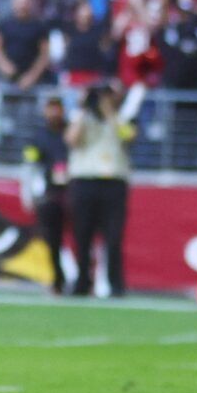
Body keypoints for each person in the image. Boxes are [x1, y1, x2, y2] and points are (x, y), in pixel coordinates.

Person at [65, 83, 144, 298]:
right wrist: (83, 109)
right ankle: (82, 281)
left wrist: (110, 112)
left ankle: (115, 284)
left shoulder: (122, 117)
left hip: (114, 182)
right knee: (82, 234)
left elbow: (128, 136)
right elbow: (71, 140)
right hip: (85, 180)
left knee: (113, 236)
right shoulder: (81, 118)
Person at [23, 96, 71, 295]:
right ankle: (58, 279)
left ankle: (86, 279)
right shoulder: (38, 136)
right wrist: (29, 193)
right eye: (50, 108)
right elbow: (30, 166)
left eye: (57, 108)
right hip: (50, 194)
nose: (54, 113)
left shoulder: (71, 132)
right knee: (53, 239)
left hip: (73, 190)